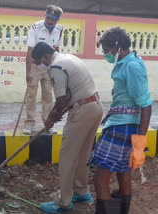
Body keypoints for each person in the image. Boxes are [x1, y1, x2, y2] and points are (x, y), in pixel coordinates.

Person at [31, 42, 103, 213]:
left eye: (39, 62)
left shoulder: (55, 66)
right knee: (83, 152)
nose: (39, 66)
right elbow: (69, 96)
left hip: (82, 110)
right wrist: (56, 115)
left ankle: (63, 201)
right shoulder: (68, 58)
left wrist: (50, 118)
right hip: (95, 106)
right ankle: (81, 191)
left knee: (67, 155)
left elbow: (62, 99)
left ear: (46, 57)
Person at [88, 27, 152, 214]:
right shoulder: (127, 63)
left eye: (106, 49)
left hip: (123, 126)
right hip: (122, 124)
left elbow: (146, 105)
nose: (104, 54)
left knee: (101, 176)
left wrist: (140, 146)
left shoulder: (131, 66)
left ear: (116, 46)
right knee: (123, 170)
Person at [23, 5, 64, 135]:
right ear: (45, 15)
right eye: (48, 17)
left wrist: (56, 70)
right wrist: (28, 71)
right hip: (35, 66)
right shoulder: (36, 27)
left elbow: (57, 50)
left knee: (48, 96)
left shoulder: (60, 30)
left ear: (57, 20)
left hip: (49, 67)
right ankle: (29, 123)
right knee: (31, 95)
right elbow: (30, 51)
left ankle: (48, 123)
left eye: (53, 19)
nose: (49, 21)